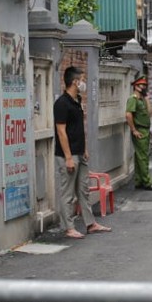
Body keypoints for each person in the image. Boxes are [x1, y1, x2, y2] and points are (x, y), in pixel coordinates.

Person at [54, 66, 111, 239]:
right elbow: (61, 132)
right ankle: (68, 227)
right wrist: (69, 157)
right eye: (82, 79)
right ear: (74, 82)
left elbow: (79, 128)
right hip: (67, 155)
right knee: (68, 192)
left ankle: (90, 223)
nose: (84, 83)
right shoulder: (62, 103)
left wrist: (84, 148)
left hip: (79, 152)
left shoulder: (77, 100)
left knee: (83, 189)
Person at [125, 75, 152, 191]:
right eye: (141, 85)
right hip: (139, 130)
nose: (143, 87)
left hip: (145, 129)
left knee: (140, 156)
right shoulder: (133, 99)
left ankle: (139, 180)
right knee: (143, 157)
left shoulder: (142, 99)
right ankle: (147, 182)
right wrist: (134, 130)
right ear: (135, 86)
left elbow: (149, 113)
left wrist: (147, 99)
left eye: (144, 85)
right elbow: (128, 115)